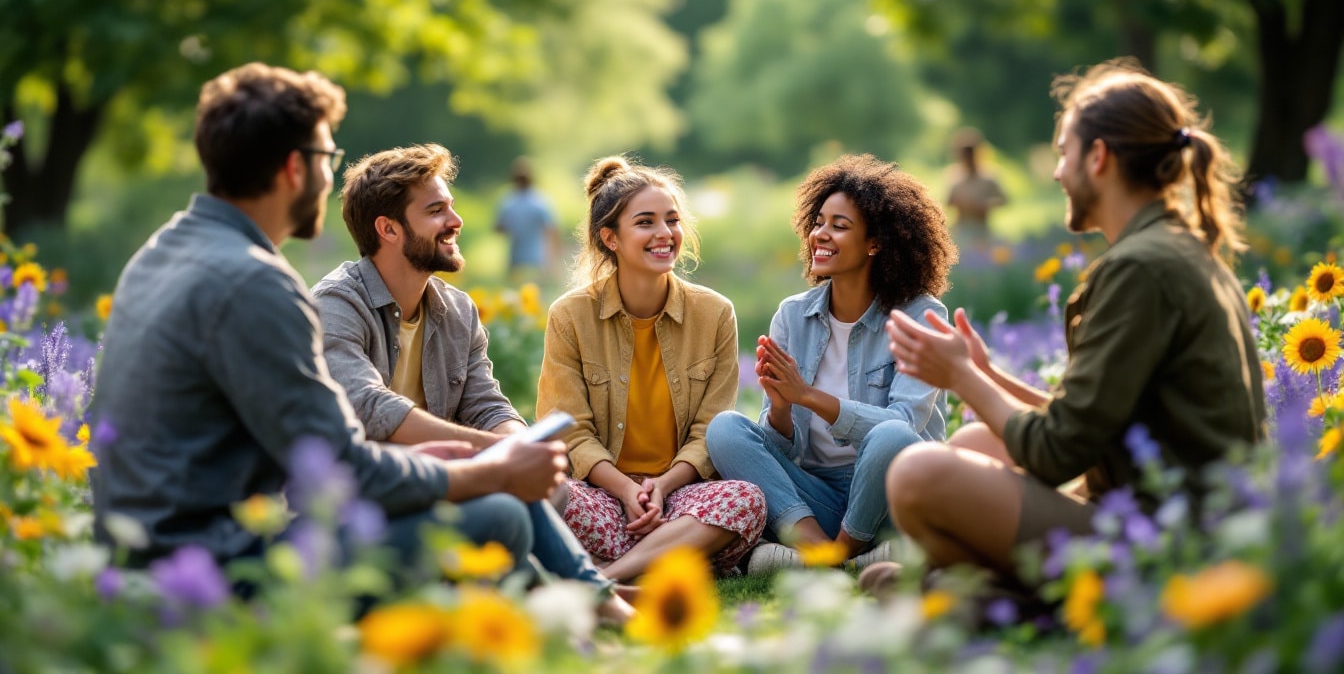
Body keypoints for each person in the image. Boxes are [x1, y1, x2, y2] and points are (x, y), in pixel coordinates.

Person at [89, 63, 564, 588]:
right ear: (295, 167)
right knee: (498, 517)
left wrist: (432, 467)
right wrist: (492, 471)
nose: (327, 176)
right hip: (210, 568)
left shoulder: (158, 254)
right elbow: (344, 469)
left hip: (136, 554)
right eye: (327, 157)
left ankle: (579, 603)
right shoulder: (255, 283)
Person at [881, 60, 1266, 587]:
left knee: (915, 474)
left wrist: (961, 379)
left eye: (1064, 152)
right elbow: (1093, 427)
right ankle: (987, 600)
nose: (1058, 172)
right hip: (1156, 508)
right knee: (973, 442)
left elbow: (1057, 454)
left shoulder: (1141, 269)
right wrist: (986, 372)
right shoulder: (1170, 249)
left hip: (1167, 543)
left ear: (1099, 156)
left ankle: (1034, 606)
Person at [311, 144, 632, 620]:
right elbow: (371, 407)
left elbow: (488, 405)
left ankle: (576, 602)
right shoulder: (337, 305)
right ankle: (595, 601)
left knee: (526, 481)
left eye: (452, 206)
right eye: (436, 210)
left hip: (442, 481)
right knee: (504, 494)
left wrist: (518, 443)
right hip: (366, 497)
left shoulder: (457, 311)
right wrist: (493, 453)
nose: (455, 220)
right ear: (389, 229)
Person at [705, 154, 958, 574]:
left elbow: (905, 426)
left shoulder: (921, 317)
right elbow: (782, 448)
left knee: (892, 434)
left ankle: (832, 557)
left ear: (875, 243)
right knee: (725, 429)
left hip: (895, 497)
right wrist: (782, 407)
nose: (820, 235)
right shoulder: (792, 315)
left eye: (839, 226)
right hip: (818, 498)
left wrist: (809, 396)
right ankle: (825, 551)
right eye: (819, 222)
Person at [535, 155, 767, 581]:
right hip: (603, 496)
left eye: (672, 220)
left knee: (746, 499)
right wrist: (625, 490)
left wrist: (661, 488)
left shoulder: (715, 313)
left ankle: (606, 577)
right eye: (646, 222)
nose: (665, 234)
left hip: (680, 498)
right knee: (543, 490)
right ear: (611, 238)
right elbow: (570, 431)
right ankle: (678, 558)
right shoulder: (570, 316)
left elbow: (709, 430)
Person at [494, 157, 561, 285]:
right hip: (537, 259)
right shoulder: (540, 201)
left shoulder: (508, 201)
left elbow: (499, 228)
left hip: (516, 260)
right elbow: (552, 229)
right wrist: (555, 258)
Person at [945, 127, 1007, 249]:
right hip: (961, 229)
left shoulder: (988, 177)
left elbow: (1004, 200)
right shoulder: (954, 176)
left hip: (981, 229)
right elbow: (948, 202)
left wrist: (984, 205)